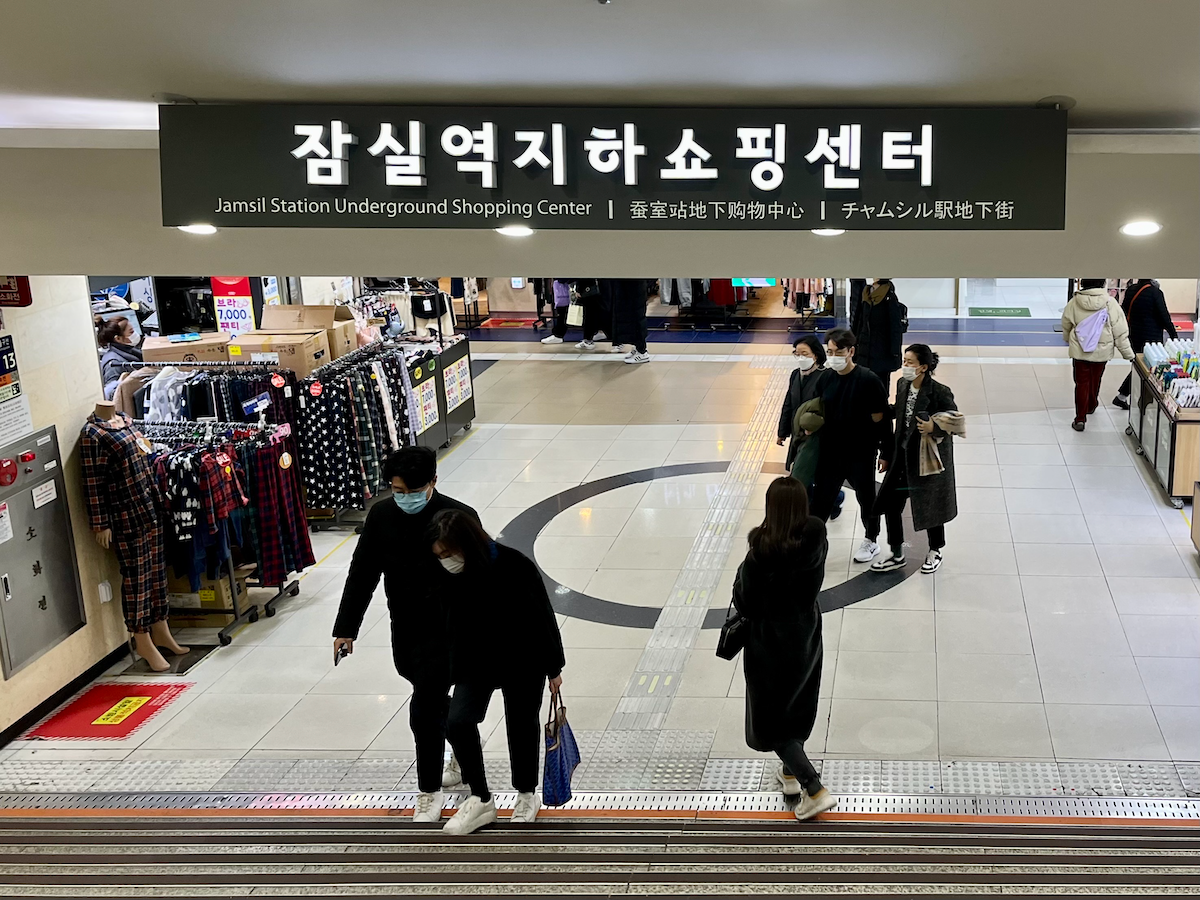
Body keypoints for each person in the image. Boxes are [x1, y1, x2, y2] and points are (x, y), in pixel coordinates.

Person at [332, 447, 480, 824]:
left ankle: (428, 791)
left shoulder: (459, 517)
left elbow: (484, 577)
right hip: (407, 626)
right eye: (398, 490)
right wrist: (346, 628)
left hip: (453, 628)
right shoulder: (381, 516)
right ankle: (462, 746)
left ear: (433, 482)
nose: (406, 498)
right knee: (429, 697)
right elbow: (362, 573)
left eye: (414, 491)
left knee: (424, 708)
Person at [431, 510, 566, 836]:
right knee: (459, 720)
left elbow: (541, 616)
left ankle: (526, 794)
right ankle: (480, 797)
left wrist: (553, 667)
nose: (445, 561)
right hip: (475, 660)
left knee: (521, 725)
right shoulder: (449, 574)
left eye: (448, 554)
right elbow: (444, 619)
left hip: (522, 659)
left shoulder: (513, 565)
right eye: (440, 556)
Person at [733, 476, 837, 822]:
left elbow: (745, 601)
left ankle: (814, 787)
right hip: (806, 630)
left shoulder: (761, 550)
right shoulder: (816, 534)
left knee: (771, 718)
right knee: (797, 701)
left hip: (769, 640)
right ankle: (790, 775)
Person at [871, 344, 962, 575]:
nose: (905, 366)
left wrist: (934, 426)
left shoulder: (940, 391)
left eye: (909, 362)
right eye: (904, 361)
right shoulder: (903, 385)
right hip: (902, 457)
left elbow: (955, 420)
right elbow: (902, 415)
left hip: (927, 460)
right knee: (891, 504)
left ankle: (935, 549)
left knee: (930, 506)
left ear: (923, 367)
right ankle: (896, 552)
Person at [808, 329, 895, 564]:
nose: (833, 356)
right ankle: (812, 543)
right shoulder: (825, 379)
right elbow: (816, 412)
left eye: (839, 352)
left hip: (860, 452)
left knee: (867, 499)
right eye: (830, 352)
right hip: (830, 452)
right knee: (821, 501)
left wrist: (886, 452)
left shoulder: (868, 380)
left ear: (851, 351)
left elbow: (882, 420)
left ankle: (871, 539)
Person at [777, 336, 842, 518]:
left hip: (816, 436)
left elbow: (829, 408)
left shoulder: (825, 377)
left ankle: (808, 511)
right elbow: (788, 403)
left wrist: (815, 426)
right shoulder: (795, 375)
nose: (800, 357)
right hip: (798, 434)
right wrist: (782, 432)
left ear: (815, 355)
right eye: (797, 354)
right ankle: (835, 498)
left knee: (802, 474)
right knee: (808, 473)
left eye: (804, 354)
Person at [1061, 279, 1134, 431]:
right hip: (1102, 351)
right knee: (1096, 378)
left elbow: (1066, 324)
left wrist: (1069, 339)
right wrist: (1129, 355)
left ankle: (1080, 418)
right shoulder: (1110, 303)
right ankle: (1092, 404)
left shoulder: (1074, 302)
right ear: (1102, 284)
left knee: (1081, 383)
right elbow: (1120, 332)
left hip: (1080, 350)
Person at [1114, 278, 1177, 409]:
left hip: (1133, 335)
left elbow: (1124, 311)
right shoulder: (1155, 293)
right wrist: (1173, 335)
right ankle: (1142, 401)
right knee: (1149, 369)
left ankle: (1123, 396)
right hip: (1151, 339)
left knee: (1139, 367)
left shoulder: (1131, 290)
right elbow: (1164, 316)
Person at [850, 278, 905, 389]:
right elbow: (858, 323)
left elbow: (895, 329)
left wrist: (895, 354)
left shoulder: (890, 299)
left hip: (882, 353)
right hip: (864, 353)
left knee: (880, 388)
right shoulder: (865, 295)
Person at [605, 278, 652, 364]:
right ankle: (637, 347)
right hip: (627, 279)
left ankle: (642, 351)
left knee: (636, 313)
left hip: (636, 280)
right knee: (628, 312)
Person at [96, 316, 143, 400]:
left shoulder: (130, 352)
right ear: (118, 338)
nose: (135, 334)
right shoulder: (114, 363)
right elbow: (111, 395)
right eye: (131, 332)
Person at [539, 279, 574, 345]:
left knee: (562, 312)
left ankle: (558, 335)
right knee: (562, 312)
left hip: (567, 286)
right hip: (568, 286)